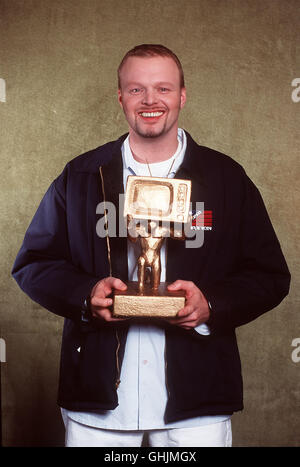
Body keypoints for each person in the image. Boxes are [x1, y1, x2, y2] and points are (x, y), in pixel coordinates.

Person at [12, 44, 290, 447]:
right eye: (137, 89)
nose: (150, 101)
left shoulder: (226, 178)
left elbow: (269, 275)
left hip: (198, 405)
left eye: (163, 88)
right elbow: (34, 263)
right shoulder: (81, 175)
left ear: (182, 95)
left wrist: (211, 304)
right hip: (97, 404)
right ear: (121, 97)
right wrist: (85, 296)